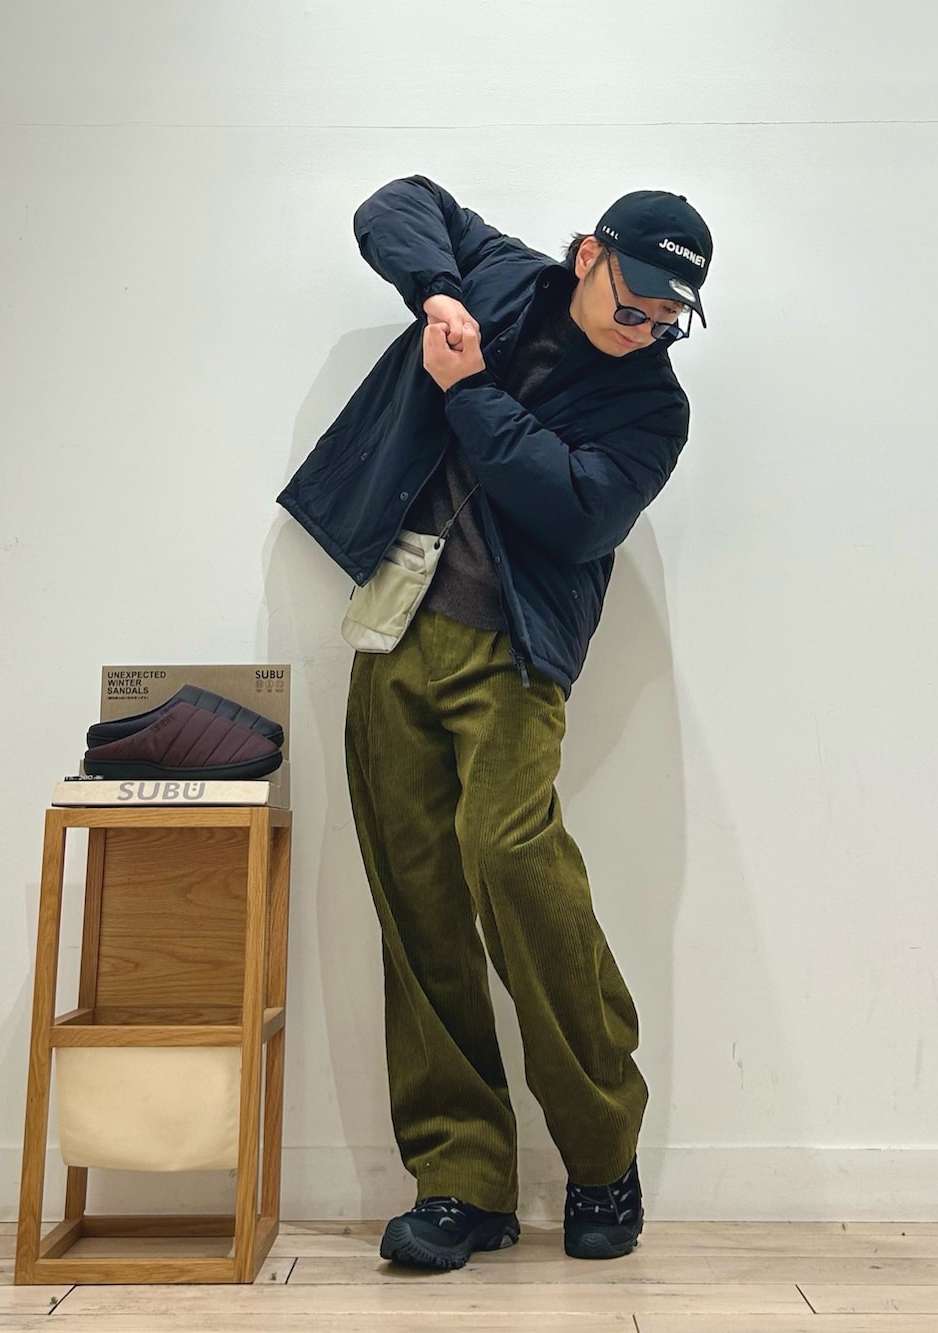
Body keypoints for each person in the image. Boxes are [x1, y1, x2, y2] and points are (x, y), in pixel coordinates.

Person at [278, 175, 713, 1271]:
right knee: (415, 894)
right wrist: (436, 293)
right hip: (395, 632)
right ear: (587, 255)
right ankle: (461, 1181)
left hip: (513, 658)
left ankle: (602, 1153)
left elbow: (576, 513)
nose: (647, 325)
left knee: (512, 862)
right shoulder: (505, 278)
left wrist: (467, 390)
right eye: (636, 298)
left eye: (670, 316)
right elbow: (398, 201)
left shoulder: (654, 409)